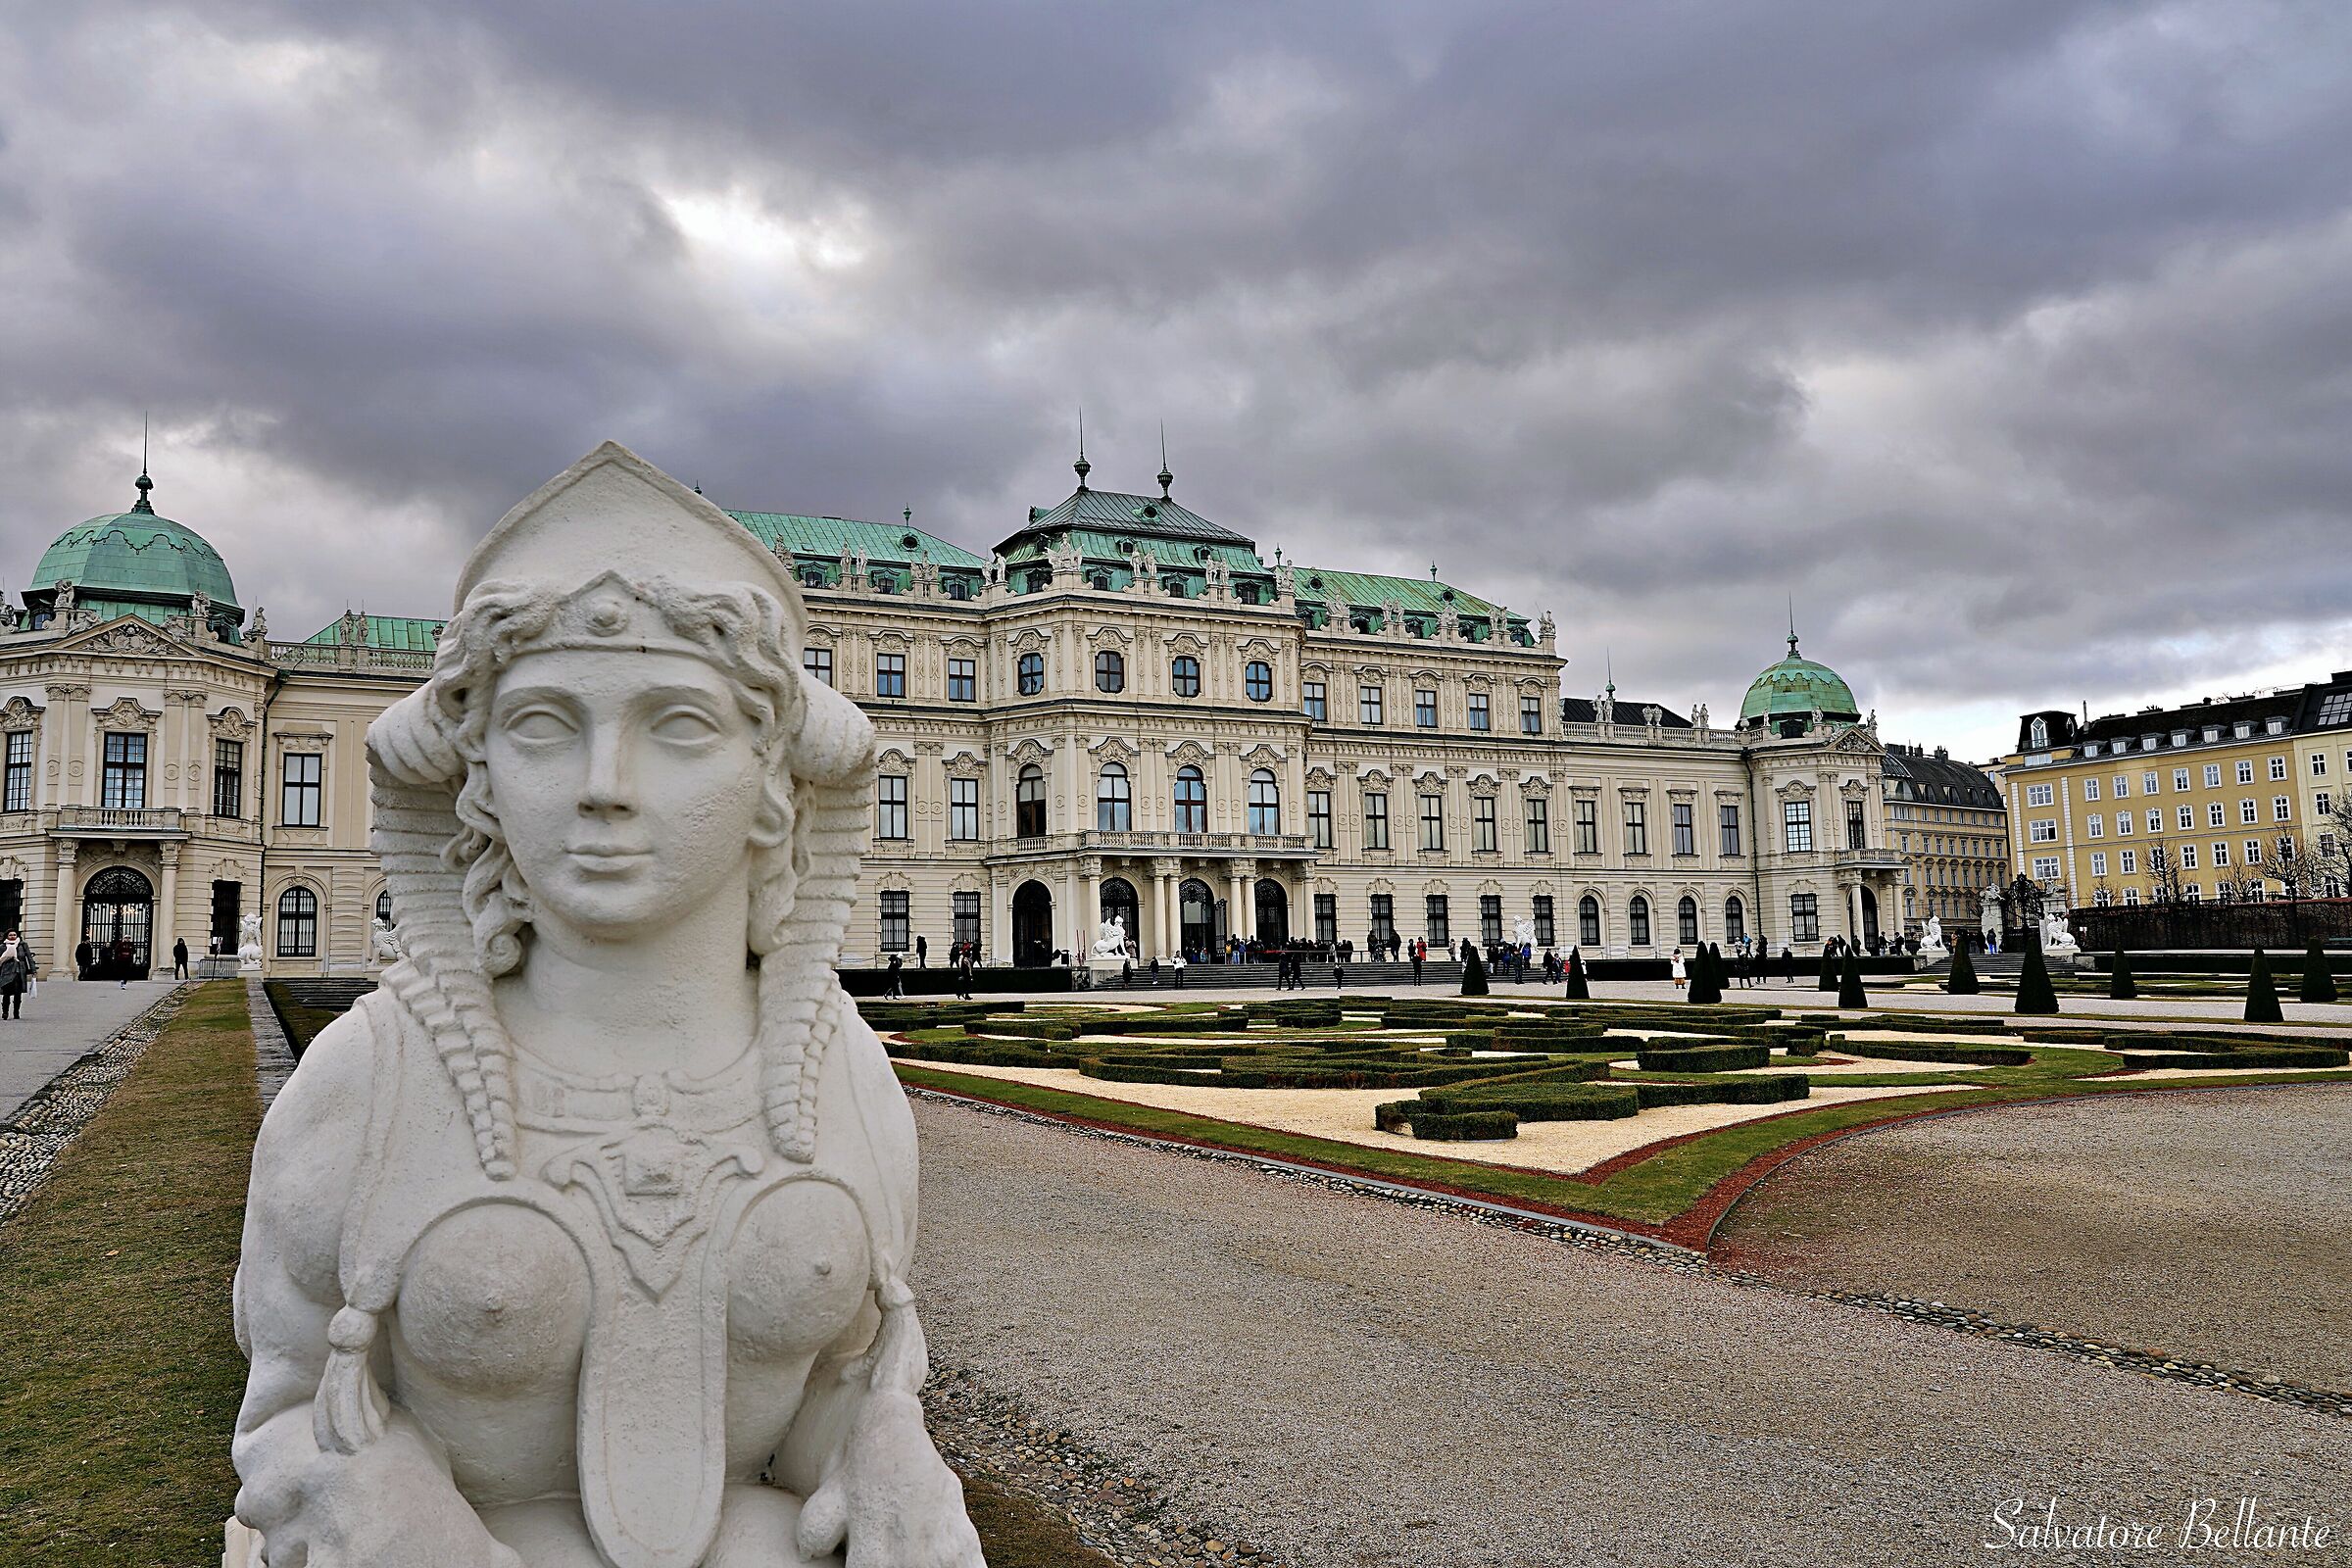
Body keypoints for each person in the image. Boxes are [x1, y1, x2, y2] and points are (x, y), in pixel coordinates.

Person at [0, 931, 35, 1019]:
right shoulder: (2, 946)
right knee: (6, 993)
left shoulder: (22, 945)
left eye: (14, 935)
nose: (12, 936)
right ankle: (5, 1012)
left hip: (20, 971)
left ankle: (16, 1012)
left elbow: (29, 958)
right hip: (6, 971)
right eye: (10, 935)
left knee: (18, 993)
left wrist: (33, 969)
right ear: (7, 936)